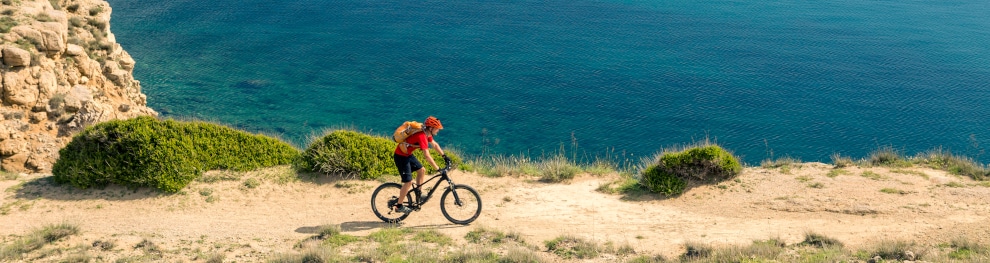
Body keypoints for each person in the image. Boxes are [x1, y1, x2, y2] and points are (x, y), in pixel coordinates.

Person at [393, 116, 448, 213]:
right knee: (408, 182)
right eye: (437, 129)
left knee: (421, 170)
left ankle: (418, 194)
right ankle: (399, 206)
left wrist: (444, 156)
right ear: (431, 128)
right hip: (401, 157)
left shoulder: (426, 133)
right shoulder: (422, 136)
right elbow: (427, 155)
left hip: (407, 155)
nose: (438, 131)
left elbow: (434, 145)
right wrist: (438, 169)